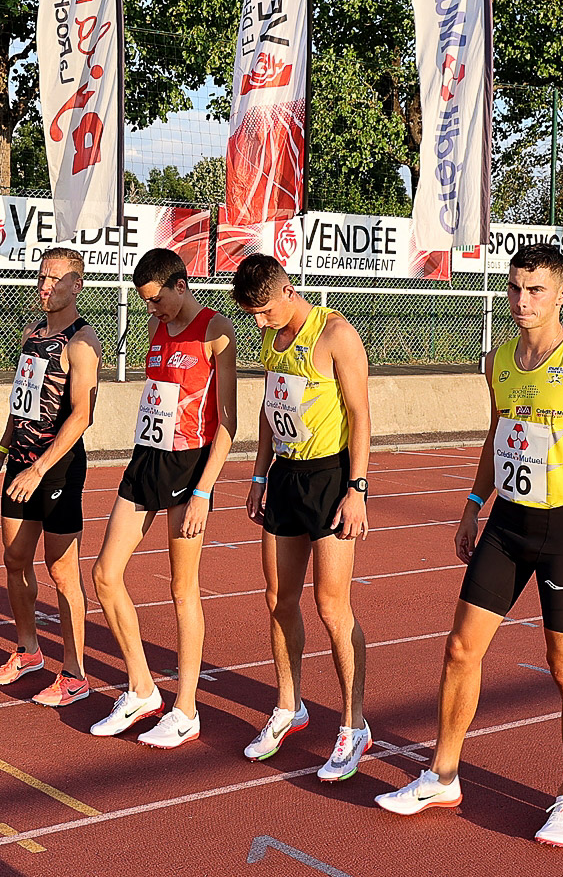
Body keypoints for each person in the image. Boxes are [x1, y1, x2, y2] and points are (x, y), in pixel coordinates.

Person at [375, 243, 563, 850]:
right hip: (508, 524)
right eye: (515, 289)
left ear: (562, 295)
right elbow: (496, 434)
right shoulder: (499, 359)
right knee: (459, 649)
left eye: (535, 290)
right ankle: (442, 774)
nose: (522, 301)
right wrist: (474, 506)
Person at [233, 254, 374, 782]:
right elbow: (271, 410)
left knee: (332, 606)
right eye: (253, 313)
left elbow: (360, 414)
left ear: (288, 290)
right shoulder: (270, 338)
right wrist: (258, 475)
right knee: (278, 599)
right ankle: (289, 707)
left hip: (331, 478)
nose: (260, 321)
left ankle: (353, 724)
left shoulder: (335, 333)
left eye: (266, 310)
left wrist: (357, 489)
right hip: (286, 478)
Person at [89, 248, 238, 748]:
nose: (154, 310)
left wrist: (203, 492)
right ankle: (141, 688)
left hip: (189, 465)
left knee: (181, 587)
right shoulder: (157, 328)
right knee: (106, 575)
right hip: (147, 457)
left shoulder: (216, 332)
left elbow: (228, 424)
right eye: (147, 303)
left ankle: (186, 709)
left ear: (179, 284)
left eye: (157, 301)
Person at [0, 247, 103, 707]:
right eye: (41, 277)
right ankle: (29, 651)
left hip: (57, 468)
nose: (44, 286)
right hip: (20, 463)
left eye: (54, 279)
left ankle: (74, 673)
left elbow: (82, 416)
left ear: (77, 285)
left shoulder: (82, 342)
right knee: (14, 560)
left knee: (61, 570)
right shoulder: (32, 334)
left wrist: (39, 467)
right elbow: (21, 402)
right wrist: (2, 454)